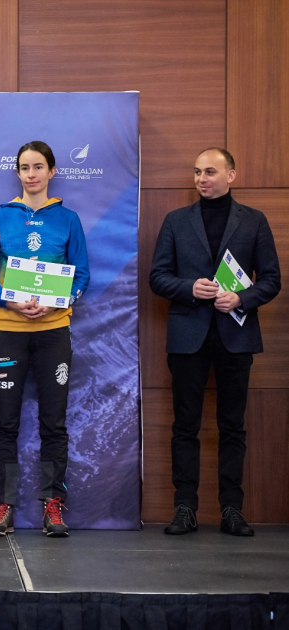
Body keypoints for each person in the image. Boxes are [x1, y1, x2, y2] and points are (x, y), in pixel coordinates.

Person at [149, 147, 280, 537]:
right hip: (188, 337)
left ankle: (232, 510)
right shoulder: (176, 221)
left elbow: (272, 279)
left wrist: (242, 297)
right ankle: (185, 507)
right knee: (184, 426)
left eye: (209, 172)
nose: (201, 179)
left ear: (231, 176)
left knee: (232, 427)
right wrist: (190, 287)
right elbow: (157, 277)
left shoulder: (254, 221)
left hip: (235, 336)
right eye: (196, 172)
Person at [0, 141, 90, 538]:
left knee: (53, 423)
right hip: (8, 331)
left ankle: (52, 505)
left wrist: (59, 302)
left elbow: (82, 275)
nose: (32, 173)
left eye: (39, 166)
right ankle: (2, 505)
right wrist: (11, 300)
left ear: (52, 171)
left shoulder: (68, 219)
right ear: (18, 173)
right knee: (5, 423)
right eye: (24, 167)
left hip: (54, 331)